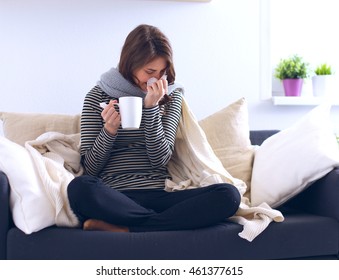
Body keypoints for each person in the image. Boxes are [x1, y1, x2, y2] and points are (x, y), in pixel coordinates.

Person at [67, 24, 241, 233]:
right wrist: (109, 130)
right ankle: (157, 224)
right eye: (149, 71)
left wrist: (151, 108)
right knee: (80, 188)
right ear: (130, 64)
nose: (156, 79)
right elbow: (91, 169)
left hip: (159, 194)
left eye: (162, 72)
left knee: (228, 195)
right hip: (114, 197)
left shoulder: (171, 96)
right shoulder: (97, 96)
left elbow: (160, 159)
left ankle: (130, 228)